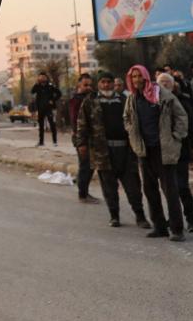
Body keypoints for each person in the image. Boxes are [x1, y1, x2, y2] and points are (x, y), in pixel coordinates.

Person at [123, 64, 188, 241]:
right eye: (133, 76)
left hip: (163, 149)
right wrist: (131, 133)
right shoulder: (132, 98)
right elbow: (127, 118)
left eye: (139, 76)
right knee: (150, 190)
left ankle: (177, 229)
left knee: (170, 191)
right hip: (144, 151)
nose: (137, 80)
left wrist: (176, 136)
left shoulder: (162, 94)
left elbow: (181, 115)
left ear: (146, 77)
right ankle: (159, 227)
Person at [73, 73, 147, 228]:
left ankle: (140, 216)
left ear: (114, 84)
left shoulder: (124, 100)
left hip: (126, 151)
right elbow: (81, 125)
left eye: (109, 82)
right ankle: (114, 216)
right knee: (109, 187)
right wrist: (81, 144)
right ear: (98, 84)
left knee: (133, 186)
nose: (106, 85)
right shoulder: (90, 102)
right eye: (103, 82)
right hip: (102, 152)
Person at [157, 71, 193, 234]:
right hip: (162, 152)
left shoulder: (182, 101)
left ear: (173, 84)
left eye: (167, 82)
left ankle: (191, 218)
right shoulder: (154, 101)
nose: (164, 85)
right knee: (168, 188)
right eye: (161, 82)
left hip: (180, 150)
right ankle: (175, 219)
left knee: (182, 186)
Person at [65, 74, 99, 202]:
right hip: (82, 138)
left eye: (90, 85)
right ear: (79, 85)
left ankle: (84, 192)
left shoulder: (90, 98)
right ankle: (83, 194)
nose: (88, 87)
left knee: (89, 166)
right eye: (85, 85)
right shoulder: (76, 100)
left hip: (91, 137)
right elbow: (75, 123)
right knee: (86, 166)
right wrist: (81, 143)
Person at [31, 73, 61, 146]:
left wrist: (53, 100)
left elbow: (59, 93)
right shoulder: (38, 86)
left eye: (43, 77)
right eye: (40, 77)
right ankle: (41, 142)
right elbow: (32, 91)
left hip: (49, 108)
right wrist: (36, 83)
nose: (42, 79)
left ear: (46, 78)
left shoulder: (50, 86)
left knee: (52, 124)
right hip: (40, 109)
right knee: (41, 126)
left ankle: (55, 141)